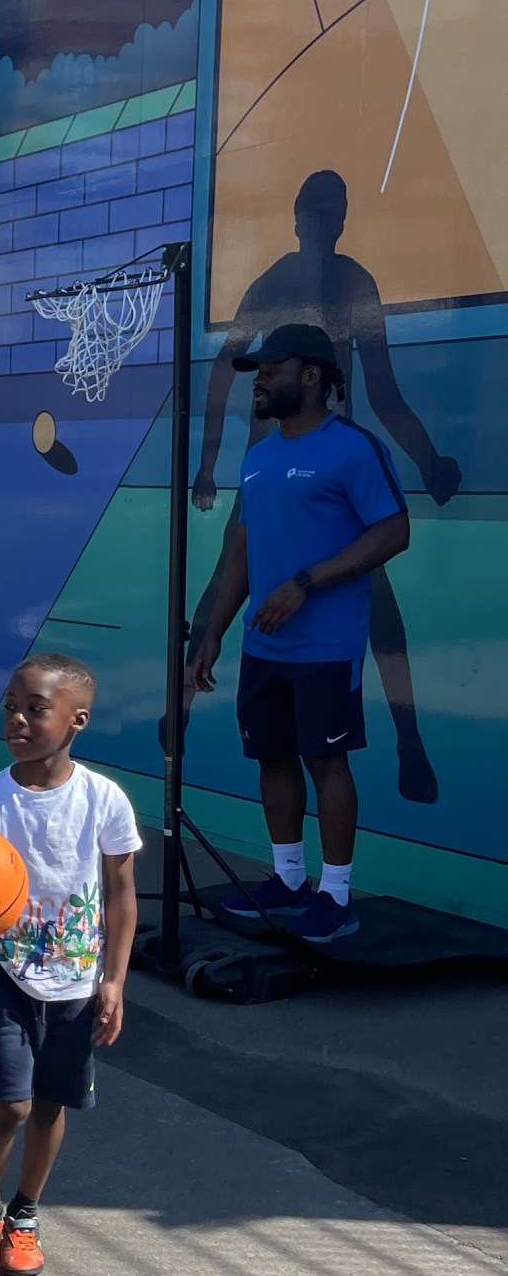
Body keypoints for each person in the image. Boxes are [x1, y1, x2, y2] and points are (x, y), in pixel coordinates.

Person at [191, 171, 457, 803]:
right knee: (227, 577)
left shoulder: (356, 283)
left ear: (342, 217)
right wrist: (207, 463)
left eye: (332, 208)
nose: (322, 218)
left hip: (330, 481)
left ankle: (410, 739)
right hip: (266, 468)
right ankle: (181, 707)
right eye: (314, 207)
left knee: (379, 609)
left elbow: (384, 390)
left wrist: (428, 459)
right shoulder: (270, 283)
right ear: (296, 216)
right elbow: (227, 369)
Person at [187, 326, 411, 945]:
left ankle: (335, 897)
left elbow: (393, 531)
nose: (258, 380)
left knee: (325, 761)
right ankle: (289, 881)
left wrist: (306, 582)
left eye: (271, 369)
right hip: (264, 646)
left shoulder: (352, 448)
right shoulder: (259, 457)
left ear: (311, 376)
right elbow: (241, 550)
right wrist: (213, 632)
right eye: (256, 372)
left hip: (326, 645)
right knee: (273, 757)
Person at [0, 652, 140, 1276]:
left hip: (77, 983)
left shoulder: (103, 799)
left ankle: (25, 1215)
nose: (17, 720)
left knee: (52, 1103)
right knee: (11, 1103)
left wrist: (114, 979)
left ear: (77, 720)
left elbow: (121, 895)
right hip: (3, 972)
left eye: (36, 709)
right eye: (11, 707)